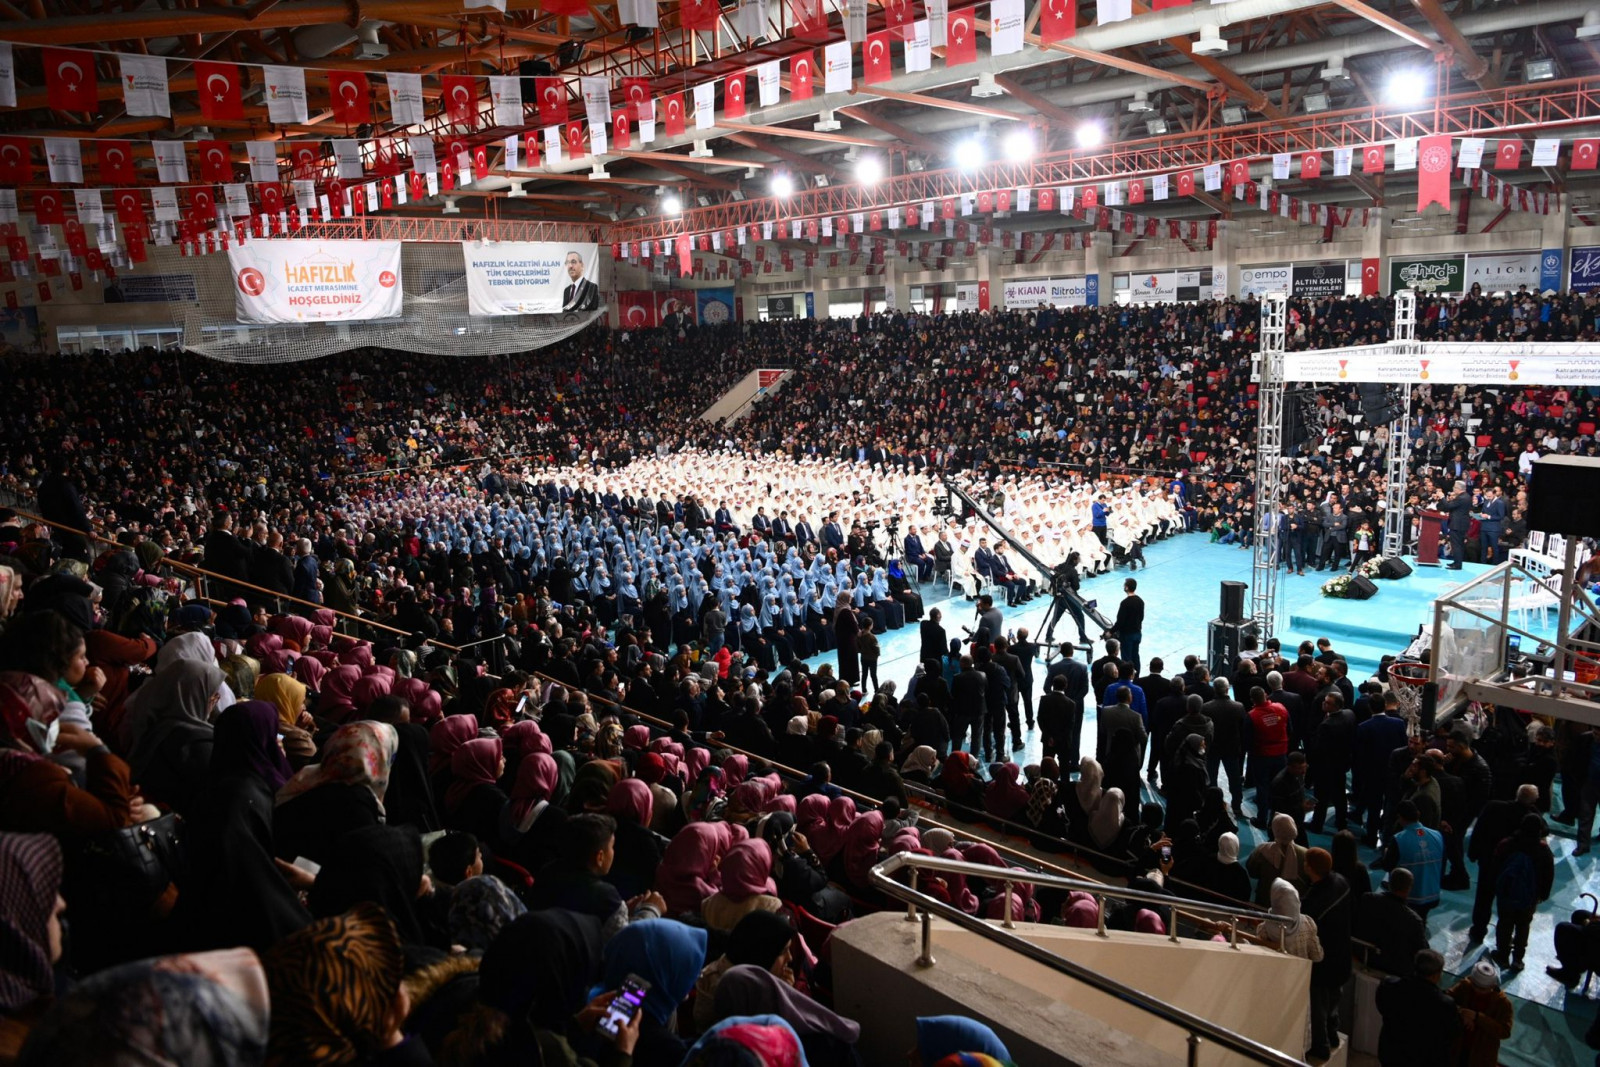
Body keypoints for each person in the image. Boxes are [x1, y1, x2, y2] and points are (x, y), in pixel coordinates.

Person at [1301, 848, 1351, 1062]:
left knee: (1319, 1007)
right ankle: (1333, 1035)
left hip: (1323, 963)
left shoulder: (1313, 902)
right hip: (1343, 956)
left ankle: (1321, 1046)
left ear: (1310, 868)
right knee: (1333, 1002)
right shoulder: (1341, 883)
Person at [1488, 812, 1554, 972]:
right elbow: (1548, 874)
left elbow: (1494, 867)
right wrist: (1543, 894)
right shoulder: (1543, 849)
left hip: (1507, 894)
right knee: (1523, 926)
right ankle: (1518, 959)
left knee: (1504, 923)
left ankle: (1502, 955)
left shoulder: (1507, 844)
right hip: (1529, 897)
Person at [1374, 948, 1462, 1067]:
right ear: (1436, 975)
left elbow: (1382, 1006)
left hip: (1391, 1053)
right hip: (1423, 1060)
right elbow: (1452, 1033)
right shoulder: (1444, 1004)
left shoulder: (1390, 985)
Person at [1382, 800, 1444, 924]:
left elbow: (1387, 865)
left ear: (1400, 818)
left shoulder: (1399, 839)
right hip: (1432, 895)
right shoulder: (1437, 835)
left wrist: (1386, 853)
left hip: (1410, 897)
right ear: (1418, 814)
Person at [1446, 961, 1514, 1067]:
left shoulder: (1502, 1003)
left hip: (1481, 1056)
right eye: (1475, 986)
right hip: (1456, 1048)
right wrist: (1462, 1012)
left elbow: (1504, 1032)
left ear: (1493, 985)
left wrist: (1478, 1017)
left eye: (1482, 989)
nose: (1477, 991)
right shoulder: (1465, 986)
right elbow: (1445, 1001)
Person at [1246, 686, 1290, 829]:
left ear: (1252, 700)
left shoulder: (1252, 715)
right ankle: (1279, 820)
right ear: (1266, 695)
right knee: (1279, 787)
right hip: (1281, 754)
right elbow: (1290, 729)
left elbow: (1248, 740)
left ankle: (1262, 819)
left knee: (1262, 787)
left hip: (1261, 756)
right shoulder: (1281, 708)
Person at [1112, 579, 1144, 674]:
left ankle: (1127, 677)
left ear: (1126, 587)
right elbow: (1141, 617)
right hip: (1137, 633)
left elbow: (1120, 621)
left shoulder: (1125, 603)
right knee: (1135, 656)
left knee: (1126, 658)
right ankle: (1136, 676)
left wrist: (1111, 631)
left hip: (1127, 635)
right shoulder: (1140, 601)